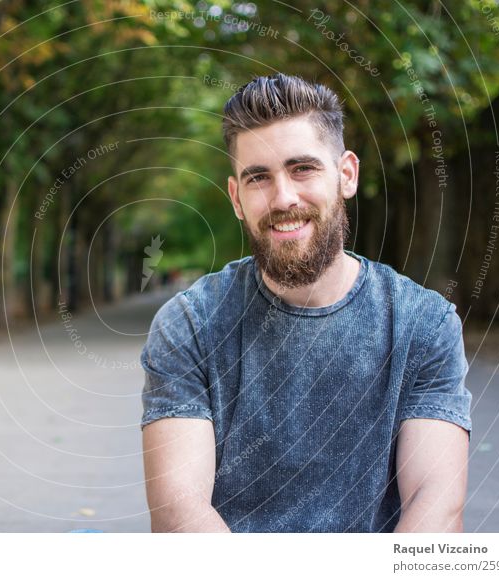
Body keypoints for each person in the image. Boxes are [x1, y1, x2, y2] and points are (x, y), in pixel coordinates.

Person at [140, 73, 472, 533]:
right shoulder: (189, 324)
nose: (284, 198)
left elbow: (434, 503)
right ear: (236, 198)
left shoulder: (423, 324)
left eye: (303, 169)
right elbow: (179, 513)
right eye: (259, 178)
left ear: (346, 175)